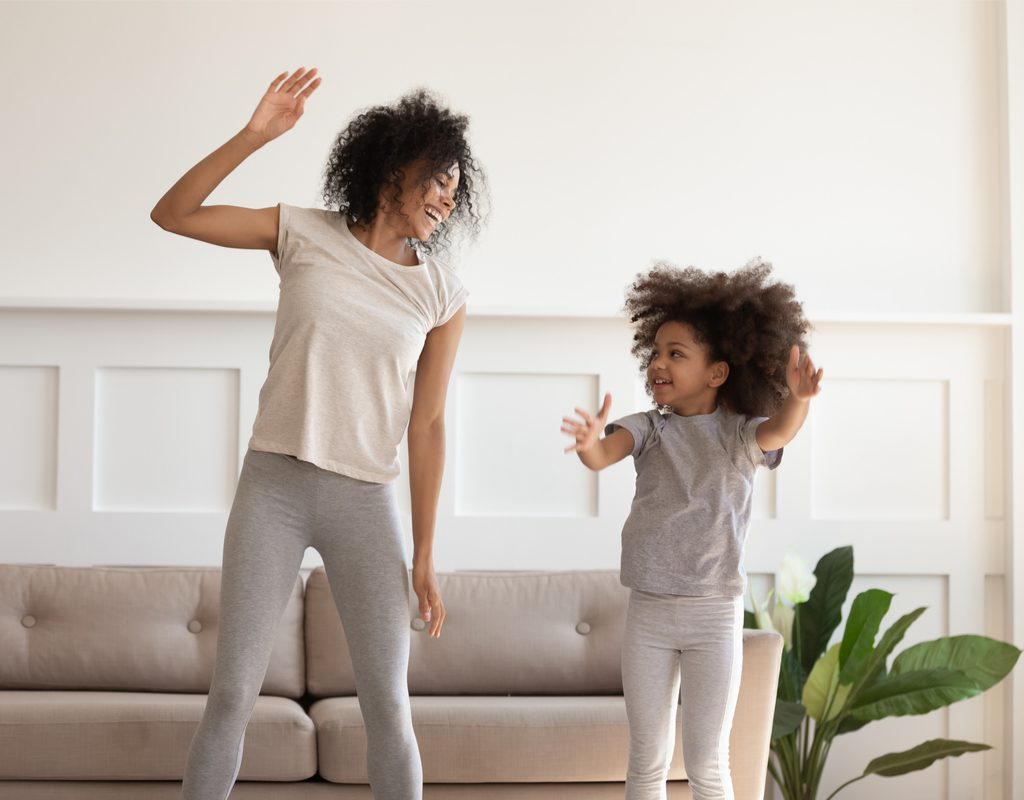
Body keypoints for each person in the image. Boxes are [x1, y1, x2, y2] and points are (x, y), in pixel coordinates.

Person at [151, 67, 486, 800]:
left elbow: (426, 425)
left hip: (365, 500)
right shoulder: (302, 231)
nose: (447, 198)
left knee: (388, 707)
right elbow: (172, 214)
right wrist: (255, 135)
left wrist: (425, 553)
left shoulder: (441, 294)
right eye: (437, 178)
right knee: (233, 695)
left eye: (456, 190)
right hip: (273, 484)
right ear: (392, 169)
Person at [561, 260, 821, 800]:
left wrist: (796, 399)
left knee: (707, 762)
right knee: (646, 761)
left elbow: (779, 432)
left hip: (713, 616)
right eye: (655, 352)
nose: (658, 363)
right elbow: (603, 454)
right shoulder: (648, 428)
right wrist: (588, 443)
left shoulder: (740, 435)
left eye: (675, 354)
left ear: (717, 372)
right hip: (650, 614)